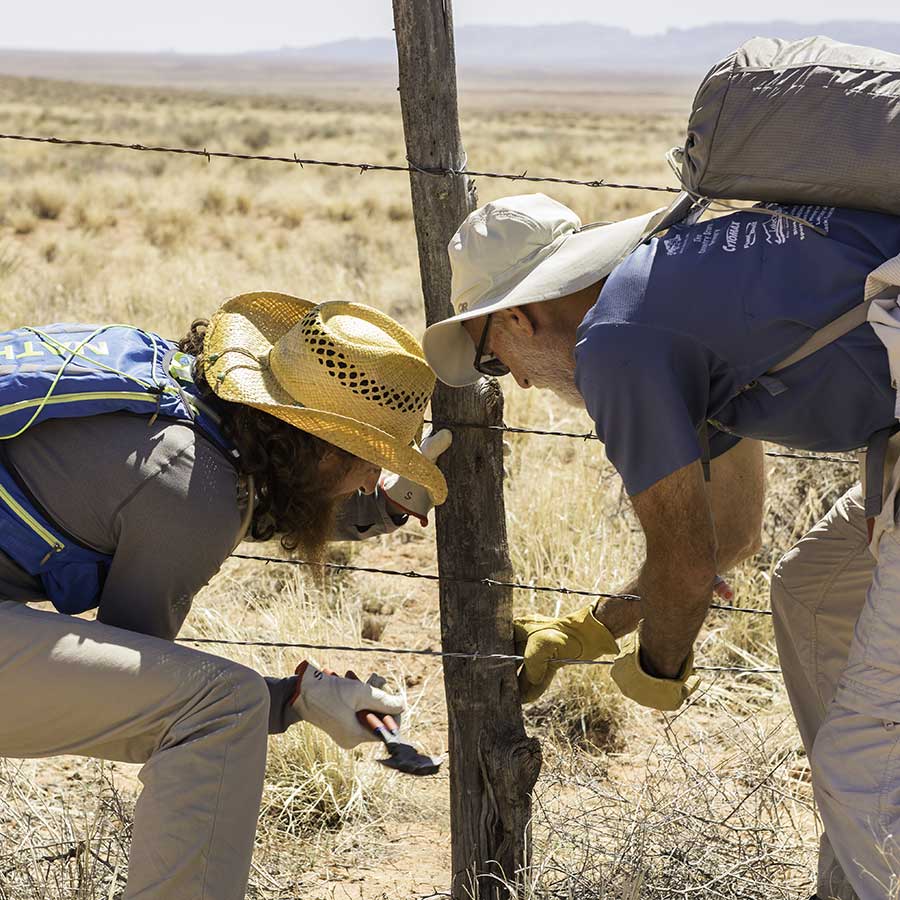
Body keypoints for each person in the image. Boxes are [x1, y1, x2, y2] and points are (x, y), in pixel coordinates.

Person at [422, 193, 900, 900]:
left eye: (497, 360)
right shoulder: (670, 293)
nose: (518, 380)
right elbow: (733, 534)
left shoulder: (614, 343)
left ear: (520, 316)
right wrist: (591, 632)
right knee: (811, 594)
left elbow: (687, 562)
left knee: (855, 765)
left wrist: (660, 666)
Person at [0, 291, 450, 900]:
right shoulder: (193, 492)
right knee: (223, 709)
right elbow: (143, 691)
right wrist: (294, 701)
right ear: (318, 447)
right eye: (369, 460)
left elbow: (257, 496)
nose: (372, 476)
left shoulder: (181, 400)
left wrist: (381, 506)